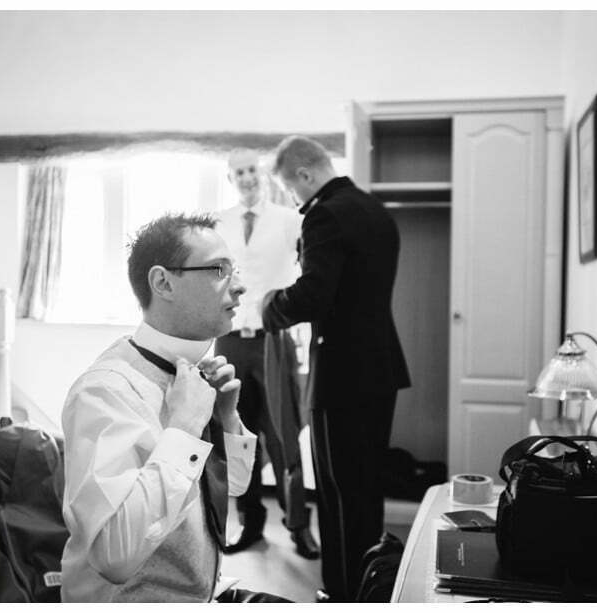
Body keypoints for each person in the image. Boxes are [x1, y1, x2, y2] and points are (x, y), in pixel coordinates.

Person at [60, 213, 290, 603]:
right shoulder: (105, 392)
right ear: (163, 282)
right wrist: (183, 429)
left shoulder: (195, 378)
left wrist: (225, 417)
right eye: (219, 269)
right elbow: (113, 557)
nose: (240, 286)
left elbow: (232, 486)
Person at [262, 136, 411, 602]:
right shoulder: (375, 210)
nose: (294, 199)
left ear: (305, 175)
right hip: (380, 369)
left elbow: (313, 294)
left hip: (342, 373)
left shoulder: (325, 213)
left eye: (289, 190)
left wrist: (271, 305)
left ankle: (343, 593)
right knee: (365, 490)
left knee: (337, 491)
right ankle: (366, 589)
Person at [214, 149, 320, 560]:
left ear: (264, 174)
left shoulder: (290, 219)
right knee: (237, 435)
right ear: (230, 179)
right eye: (237, 173)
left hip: (275, 339)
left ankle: (298, 527)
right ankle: (250, 521)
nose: (246, 178)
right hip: (230, 340)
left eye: (251, 170)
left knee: (284, 435)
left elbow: (311, 272)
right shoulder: (218, 223)